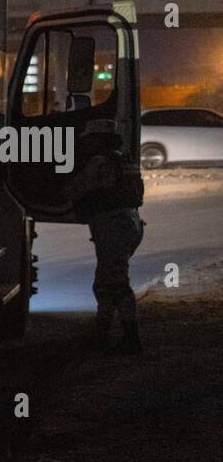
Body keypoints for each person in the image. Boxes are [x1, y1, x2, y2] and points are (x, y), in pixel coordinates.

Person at [73, 132, 146, 354]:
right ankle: (104, 337)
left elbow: (76, 188)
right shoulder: (126, 160)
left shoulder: (100, 162)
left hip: (112, 225)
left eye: (91, 139)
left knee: (115, 283)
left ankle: (128, 339)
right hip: (131, 223)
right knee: (108, 280)